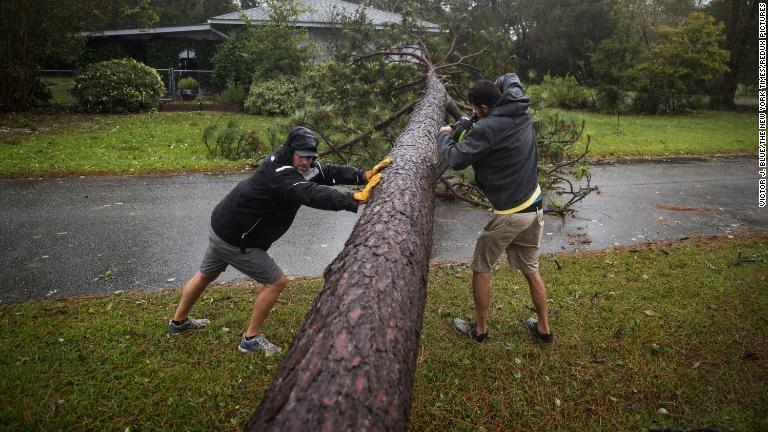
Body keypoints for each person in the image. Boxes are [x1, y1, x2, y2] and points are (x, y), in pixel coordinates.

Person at [168, 126, 392, 354]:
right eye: (302, 156)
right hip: (236, 238)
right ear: (290, 150)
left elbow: (325, 172)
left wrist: (362, 175)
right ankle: (251, 340)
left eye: (310, 157)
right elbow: (310, 193)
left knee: (206, 274)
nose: (306, 162)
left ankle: (178, 323)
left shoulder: (299, 165)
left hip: (223, 226)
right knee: (276, 281)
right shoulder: (280, 173)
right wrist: (354, 197)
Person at [436, 74, 553, 344]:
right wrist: (473, 118)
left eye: (476, 109)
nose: (473, 113)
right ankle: (544, 329)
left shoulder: (488, 129)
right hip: (534, 205)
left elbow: (456, 158)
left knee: (481, 266)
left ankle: (479, 330)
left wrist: (445, 135)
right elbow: (509, 76)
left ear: (485, 108)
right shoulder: (518, 104)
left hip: (511, 214)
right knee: (531, 268)